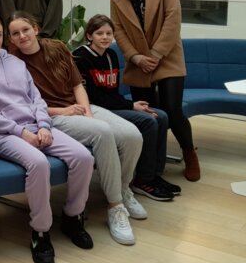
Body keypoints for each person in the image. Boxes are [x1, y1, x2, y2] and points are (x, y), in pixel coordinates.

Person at [7, 11, 145, 246]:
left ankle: (123, 189)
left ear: (36, 29)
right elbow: (25, 106)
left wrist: (87, 112)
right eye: (15, 33)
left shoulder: (57, 47)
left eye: (25, 30)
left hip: (80, 107)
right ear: (11, 38)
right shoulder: (13, 63)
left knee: (132, 135)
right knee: (102, 132)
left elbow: (77, 85)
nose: (22, 36)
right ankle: (115, 206)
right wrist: (65, 111)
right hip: (51, 116)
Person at [0, 14, 94, 263]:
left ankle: (73, 216)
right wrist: (21, 132)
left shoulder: (16, 62)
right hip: (2, 134)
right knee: (38, 163)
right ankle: (41, 232)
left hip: (37, 126)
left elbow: (36, 98)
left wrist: (44, 125)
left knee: (83, 157)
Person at [109, 0, 200, 182]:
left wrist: (156, 54)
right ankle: (151, 162)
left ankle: (189, 152)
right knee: (148, 114)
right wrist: (135, 57)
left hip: (167, 56)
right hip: (139, 62)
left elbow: (173, 18)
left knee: (172, 109)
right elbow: (118, 30)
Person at [73, 14, 180, 201]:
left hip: (113, 104)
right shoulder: (80, 57)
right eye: (99, 33)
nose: (105, 37)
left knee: (161, 116)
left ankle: (154, 175)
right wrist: (131, 105)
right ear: (89, 36)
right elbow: (93, 97)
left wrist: (130, 105)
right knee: (148, 121)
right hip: (94, 109)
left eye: (109, 33)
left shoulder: (112, 55)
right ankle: (143, 181)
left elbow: (112, 93)